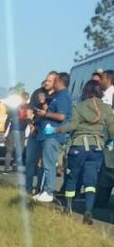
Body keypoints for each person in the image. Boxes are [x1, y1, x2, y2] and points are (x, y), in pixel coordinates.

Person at [55, 80, 114, 225]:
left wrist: (57, 130)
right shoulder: (106, 108)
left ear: (85, 91)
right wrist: (111, 141)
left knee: (72, 178)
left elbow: (73, 125)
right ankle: (88, 210)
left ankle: (68, 208)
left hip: (78, 147)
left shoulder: (79, 106)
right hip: (97, 149)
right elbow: (112, 129)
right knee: (91, 181)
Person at [31, 72, 72, 203]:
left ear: (59, 81)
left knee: (49, 165)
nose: (51, 83)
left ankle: (48, 191)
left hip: (53, 135)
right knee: (45, 164)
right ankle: (43, 190)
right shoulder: (58, 96)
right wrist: (44, 106)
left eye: (54, 80)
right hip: (47, 134)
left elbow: (61, 116)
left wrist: (46, 114)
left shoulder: (63, 96)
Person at [3, 92, 29, 174]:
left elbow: (8, 120)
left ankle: (11, 167)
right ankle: (10, 167)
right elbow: (8, 120)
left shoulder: (18, 108)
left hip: (18, 130)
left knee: (14, 150)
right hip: (17, 130)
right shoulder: (25, 108)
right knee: (14, 150)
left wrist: (4, 131)